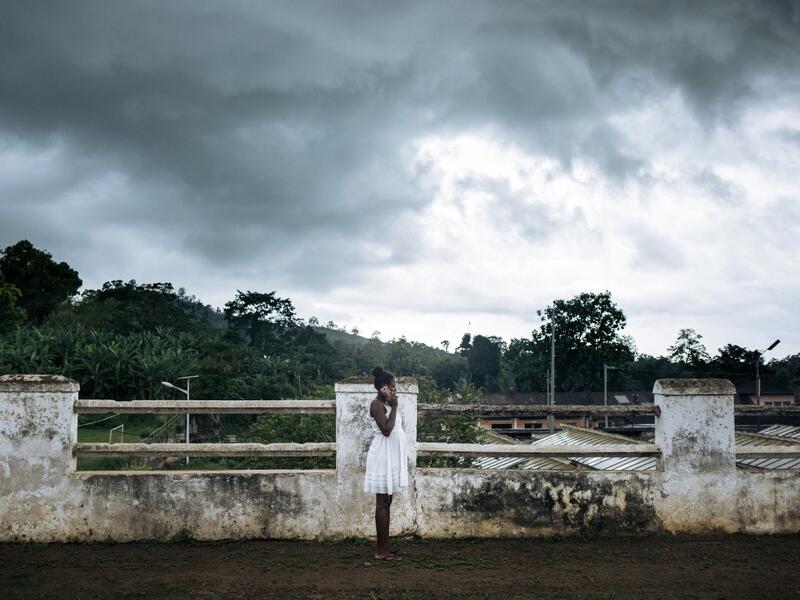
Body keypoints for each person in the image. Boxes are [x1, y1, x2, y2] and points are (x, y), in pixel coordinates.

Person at [363, 366, 408, 560]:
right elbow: (387, 430)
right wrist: (396, 406)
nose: (395, 390)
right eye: (392, 386)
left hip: (390, 456)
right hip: (382, 456)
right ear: (383, 388)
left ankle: (385, 547)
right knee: (382, 502)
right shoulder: (376, 405)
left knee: (387, 501)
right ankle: (381, 552)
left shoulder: (387, 405)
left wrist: (393, 406)